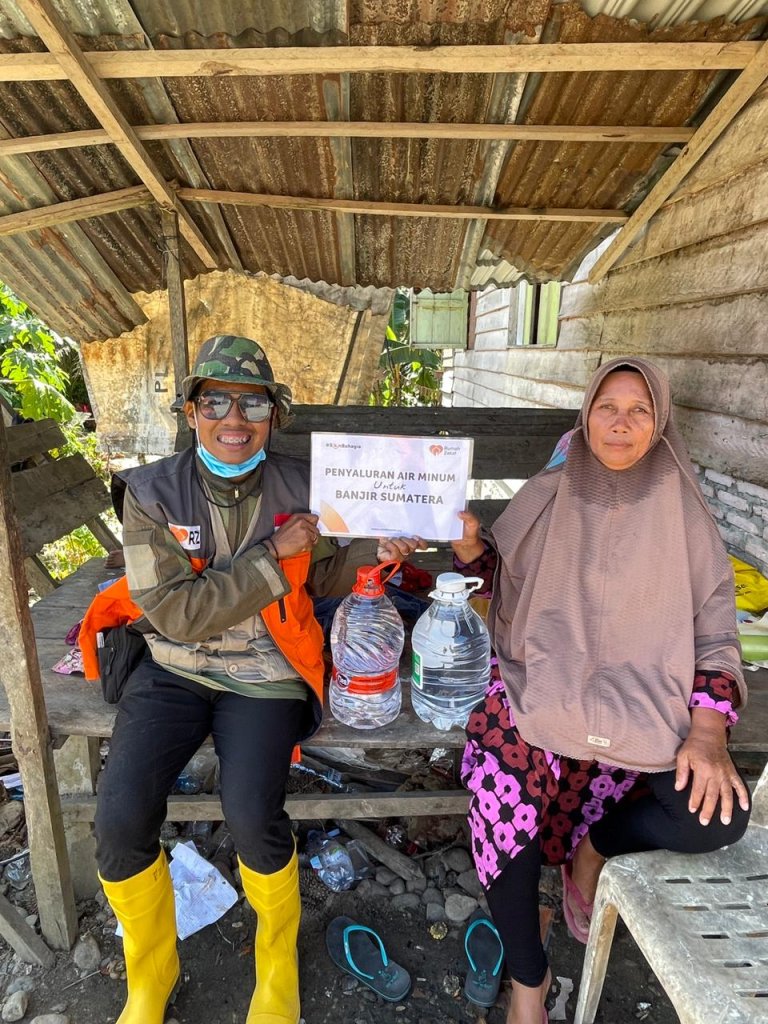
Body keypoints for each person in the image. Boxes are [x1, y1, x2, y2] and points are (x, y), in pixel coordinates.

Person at [93, 335, 424, 1024]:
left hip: (269, 671)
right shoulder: (151, 492)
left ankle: (276, 964)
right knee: (120, 818)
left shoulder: (309, 484)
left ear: (274, 415)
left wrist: (378, 553)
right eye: (215, 400)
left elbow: (330, 575)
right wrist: (274, 556)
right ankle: (149, 976)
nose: (234, 418)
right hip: (175, 667)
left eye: (253, 402)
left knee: (251, 813)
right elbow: (175, 615)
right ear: (191, 412)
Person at [451, 356, 751, 1024]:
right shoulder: (557, 485)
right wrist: (472, 550)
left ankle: (592, 852)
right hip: (544, 680)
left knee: (719, 815)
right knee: (507, 784)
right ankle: (530, 977)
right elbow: (503, 586)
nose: (621, 423)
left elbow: (714, 627)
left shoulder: (682, 509)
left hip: (648, 695)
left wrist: (707, 731)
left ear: (659, 423)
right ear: (585, 416)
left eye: (639, 410)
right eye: (607, 407)